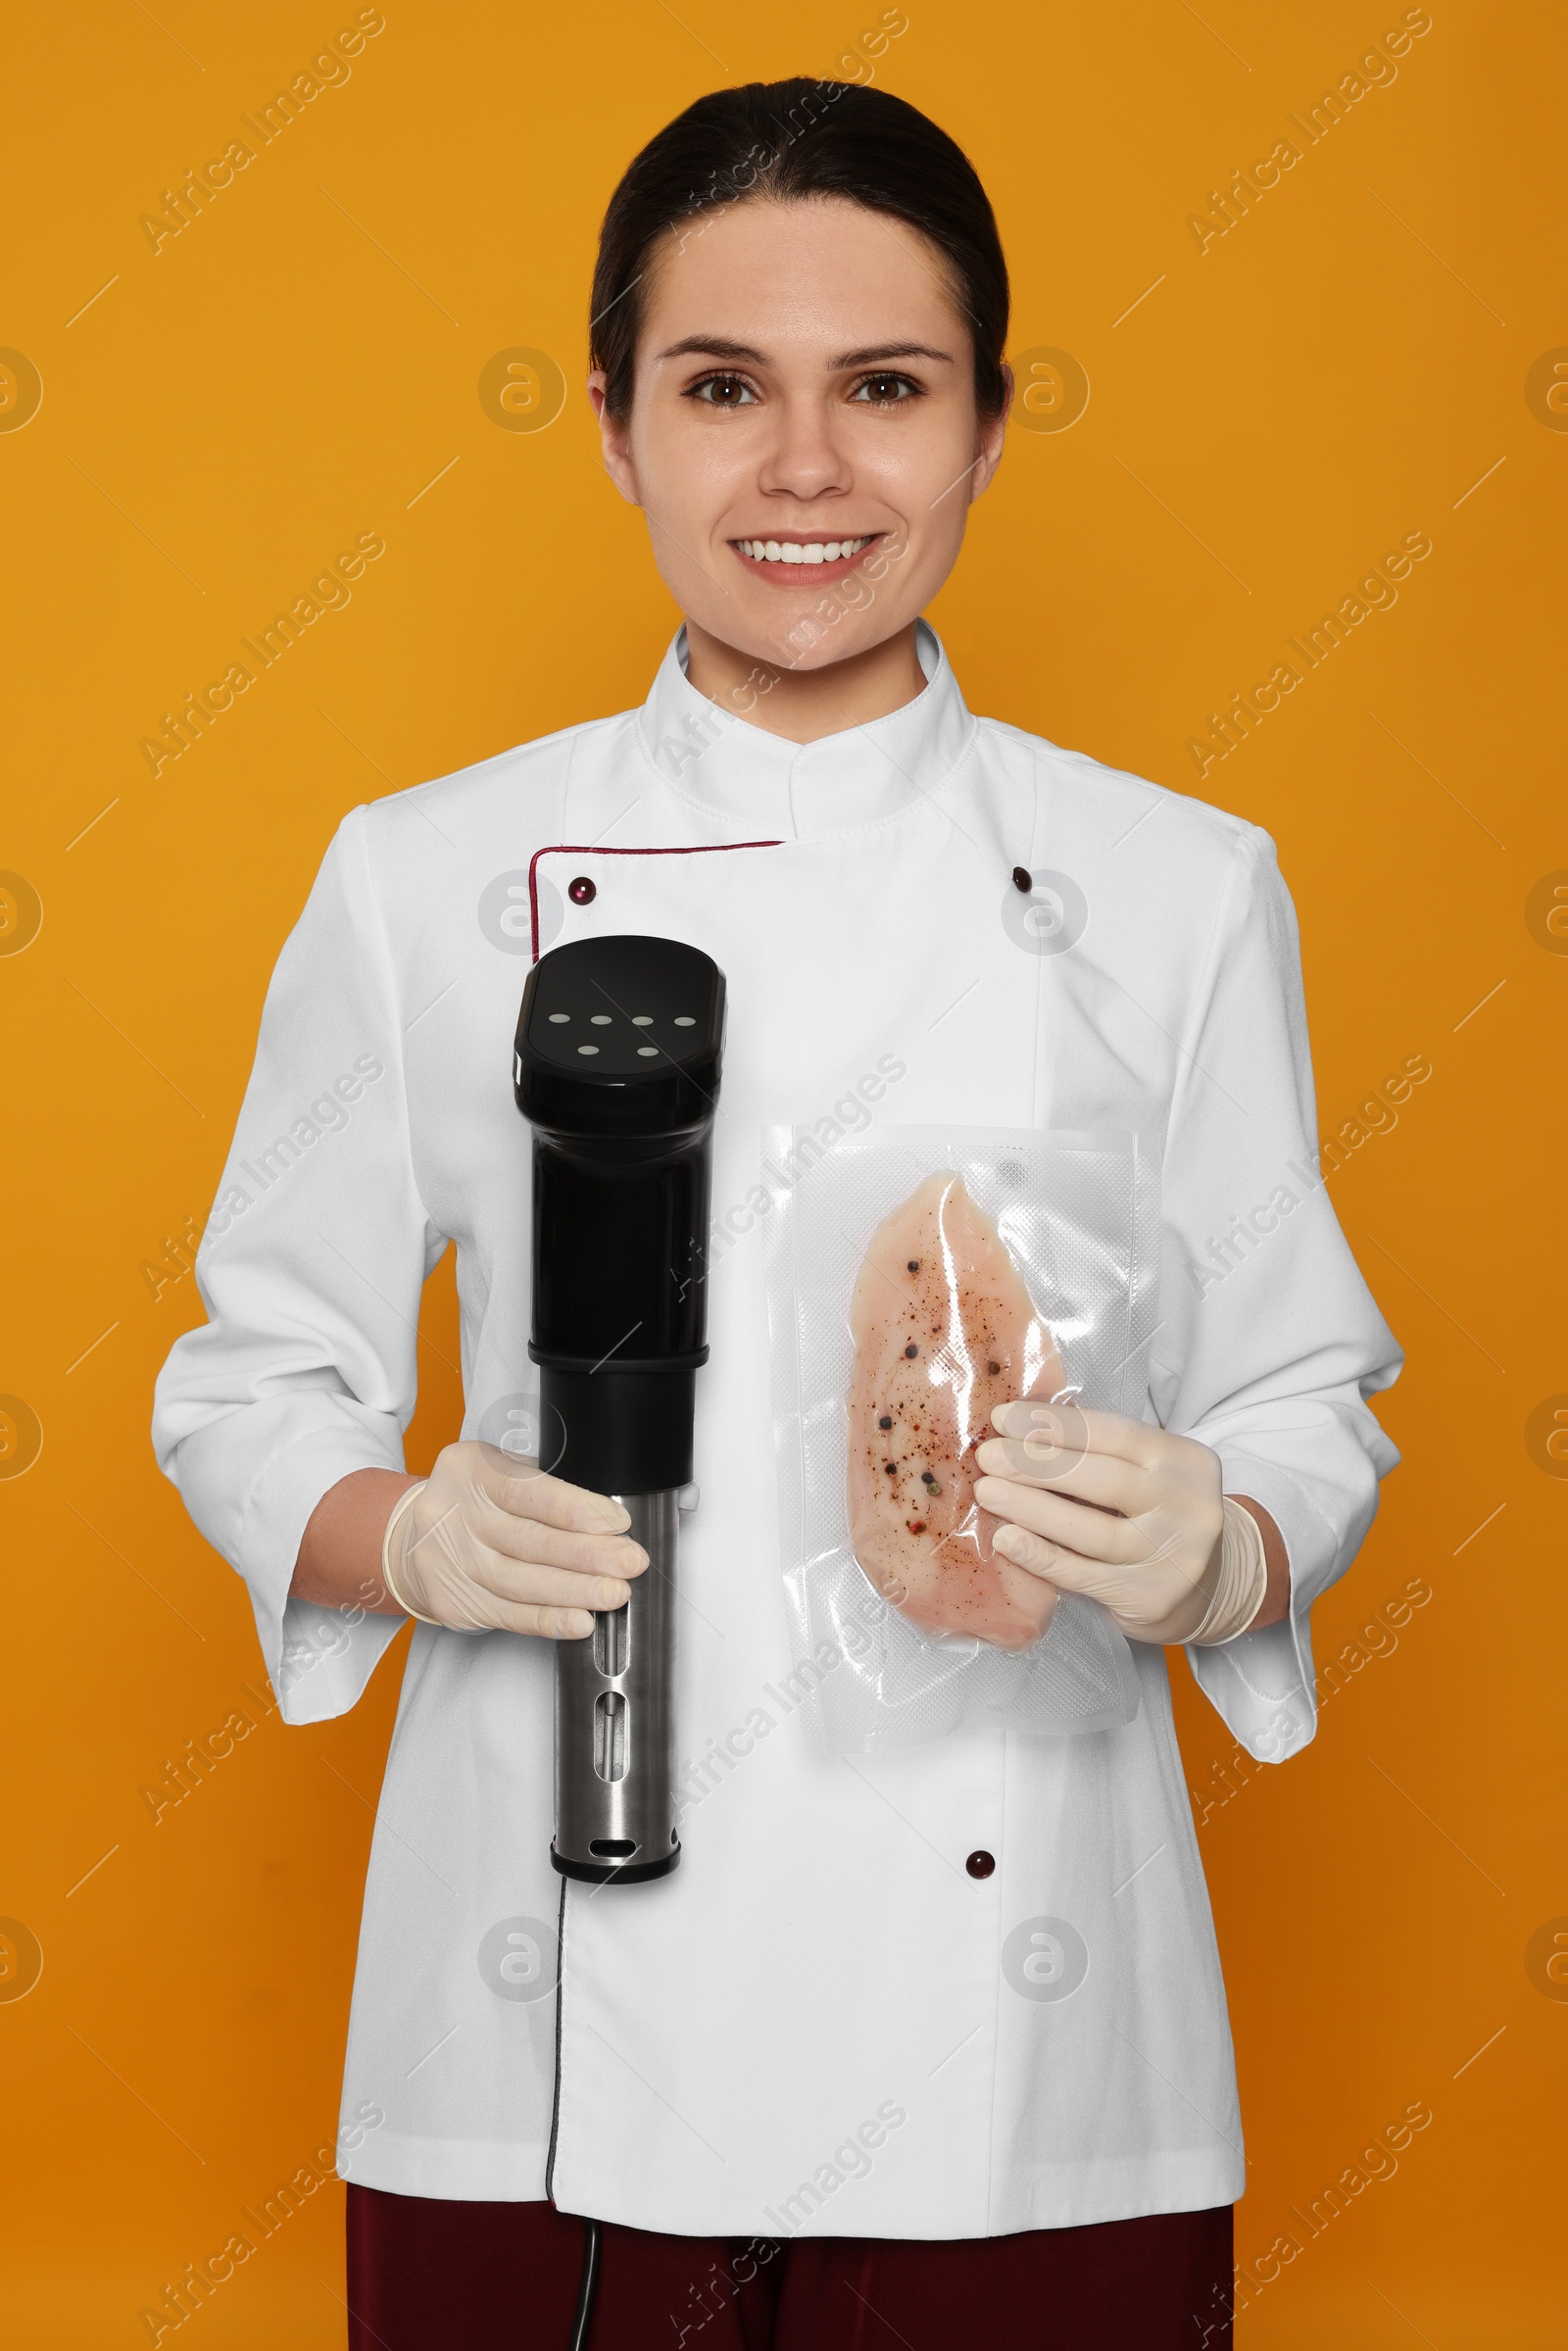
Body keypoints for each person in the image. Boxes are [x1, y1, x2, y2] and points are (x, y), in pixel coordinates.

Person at [152, 76, 1401, 2351]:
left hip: (1029, 2035)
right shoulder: (423, 875)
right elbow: (247, 1383)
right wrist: (396, 1532)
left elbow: (1304, 1393)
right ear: (614, 423)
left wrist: (1222, 1542)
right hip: (542, 2003)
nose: (804, 468)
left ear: (989, 426)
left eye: (886, 389)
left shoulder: (1176, 889)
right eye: (723, 387)